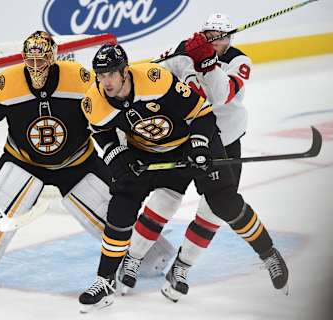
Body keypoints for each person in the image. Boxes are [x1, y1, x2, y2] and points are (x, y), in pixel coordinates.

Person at [0, 31, 173, 287]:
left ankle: (151, 257)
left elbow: (111, 111)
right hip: (23, 161)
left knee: (112, 212)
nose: (36, 67)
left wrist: (129, 145)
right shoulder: (7, 83)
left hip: (78, 162)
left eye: (42, 60)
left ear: (54, 57)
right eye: (31, 60)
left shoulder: (79, 79)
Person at [78, 42, 288, 313]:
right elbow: (102, 132)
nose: (105, 81)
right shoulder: (92, 100)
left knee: (224, 202)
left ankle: (269, 254)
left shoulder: (156, 80)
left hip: (188, 144)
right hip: (147, 152)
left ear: (125, 72)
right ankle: (104, 281)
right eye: (101, 75)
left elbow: (200, 113)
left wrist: (200, 146)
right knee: (121, 206)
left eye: (110, 74)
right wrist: (116, 156)